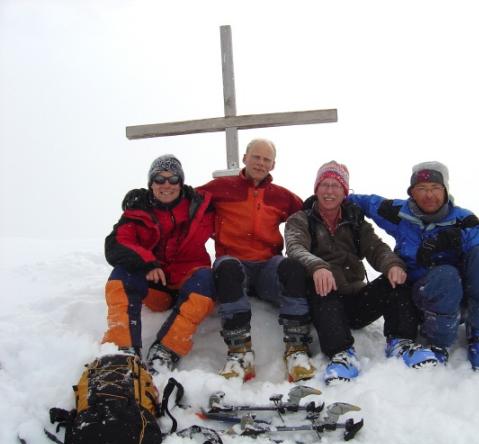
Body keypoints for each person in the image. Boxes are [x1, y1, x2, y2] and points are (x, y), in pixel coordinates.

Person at [284, 161, 438, 384]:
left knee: (396, 278)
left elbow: (377, 248)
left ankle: (401, 342)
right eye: (324, 185)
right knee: (322, 288)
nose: (329, 191)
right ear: (316, 189)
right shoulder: (301, 219)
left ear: (344, 191)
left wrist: (392, 265)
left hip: (357, 300)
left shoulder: (355, 221)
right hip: (324, 300)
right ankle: (341, 355)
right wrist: (318, 266)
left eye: (336, 186)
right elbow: (295, 248)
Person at [348, 161, 479, 371]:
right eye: (421, 188)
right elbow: (366, 202)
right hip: (422, 297)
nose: (429, 195)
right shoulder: (400, 213)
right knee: (445, 274)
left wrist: (455, 238)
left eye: (435, 188)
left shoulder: (460, 218)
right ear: (412, 193)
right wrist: (338, 199)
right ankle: (439, 341)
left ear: (445, 190)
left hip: (462, 297)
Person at [199, 138, 315, 382]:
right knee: (226, 267)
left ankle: (296, 348)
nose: (261, 163)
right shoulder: (221, 188)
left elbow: (311, 212)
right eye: (256, 157)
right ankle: (240, 352)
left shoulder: (281, 196)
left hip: (267, 270)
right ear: (245, 158)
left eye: (266, 159)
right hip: (234, 265)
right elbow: (182, 198)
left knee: (292, 268)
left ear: (273, 165)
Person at [102, 154, 215, 372]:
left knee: (207, 278)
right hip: (157, 288)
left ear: (181, 182)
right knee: (122, 274)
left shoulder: (201, 206)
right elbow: (117, 243)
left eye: (173, 179)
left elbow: (236, 201)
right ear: (151, 183)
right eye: (159, 179)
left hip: (190, 285)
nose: (166, 185)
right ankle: (122, 349)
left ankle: (167, 349)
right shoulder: (139, 210)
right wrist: (147, 262)